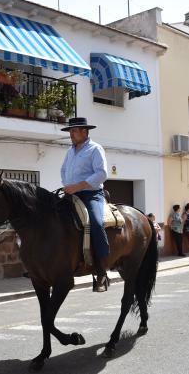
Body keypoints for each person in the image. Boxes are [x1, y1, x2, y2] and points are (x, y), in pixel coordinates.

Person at [60, 117, 109, 292]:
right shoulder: (70, 152)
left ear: (84, 132)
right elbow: (64, 170)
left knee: (96, 223)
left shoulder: (95, 149)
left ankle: (102, 270)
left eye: (74, 131)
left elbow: (102, 173)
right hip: (71, 193)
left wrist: (78, 186)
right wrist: (68, 186)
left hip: (91, 194)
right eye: (70, 131)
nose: (71, 135)